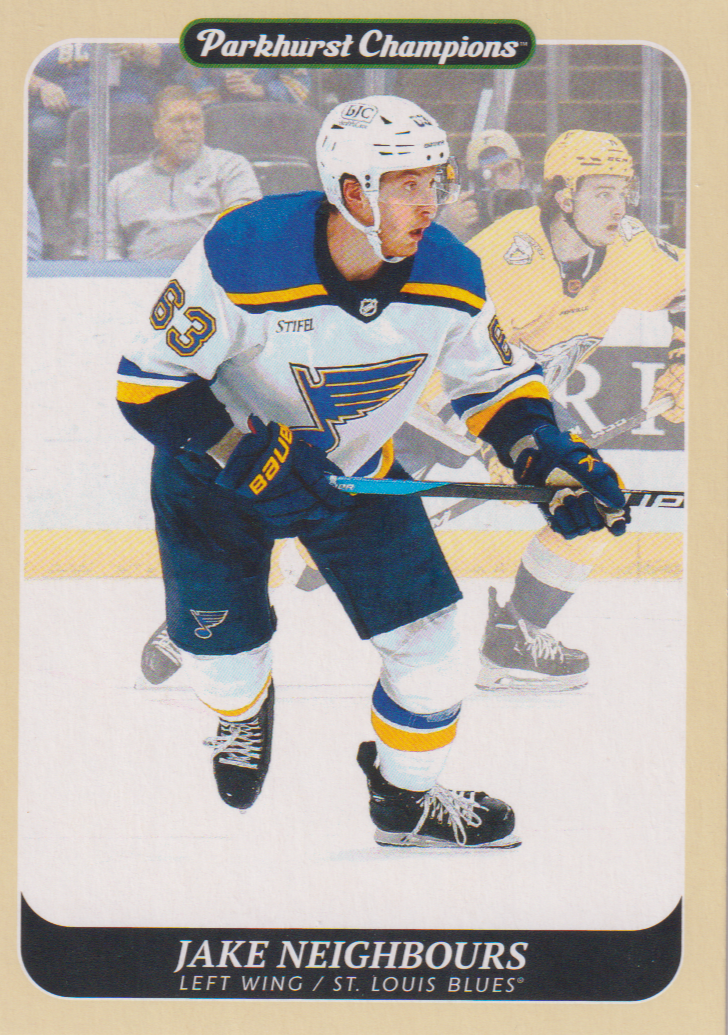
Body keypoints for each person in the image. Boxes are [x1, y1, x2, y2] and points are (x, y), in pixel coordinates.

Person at [117, 97, 628, 847]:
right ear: (351, 190)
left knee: (433, 655)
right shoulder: (244, 250)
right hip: (212, 479)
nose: (432, 203)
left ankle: (405, 800)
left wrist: (541, 451)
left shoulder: (452, 271)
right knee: (222, 664)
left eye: (436, 181)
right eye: (407, 185)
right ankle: (241, 709)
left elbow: (494, 385)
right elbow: (147, 385)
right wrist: (239, 450)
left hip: (356, 477)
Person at [463, 129, 685, 692]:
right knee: (329, 544)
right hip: (427, 404)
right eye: (603, 193)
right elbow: (449, 359)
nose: (620, 207)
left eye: (625, 192)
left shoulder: (629, 250)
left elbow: (703, 286)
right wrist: (502, 440)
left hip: (519, 404)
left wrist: (687, 358)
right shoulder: (504, 257)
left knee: (596, 502)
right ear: (564, 196)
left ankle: (516, 638)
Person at [105, 85, 262, 260]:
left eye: (195, 119)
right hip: (141, 274)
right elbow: (106, 249)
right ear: (157, 130)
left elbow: (245, 228)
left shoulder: (229, 166)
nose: (188, 128)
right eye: (177, 120)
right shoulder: (121, 185)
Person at [439, 129, 534, 241]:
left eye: (506, 170)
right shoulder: (466, 215)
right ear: (476, 180)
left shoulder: (540, 206)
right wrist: (452, 229)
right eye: (487, 175)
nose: (499, 182)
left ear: (521, 169)